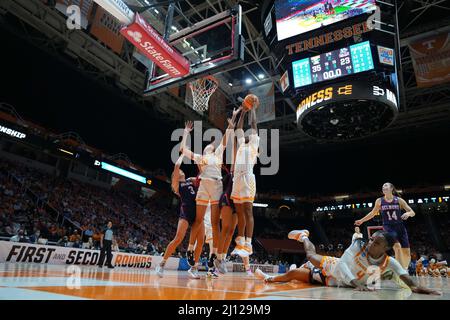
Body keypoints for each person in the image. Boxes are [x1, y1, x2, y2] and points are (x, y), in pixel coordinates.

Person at [255, 229, 441, 295]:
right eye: (371, 239)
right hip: (335, 267)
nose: (370, 243)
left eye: (376, 242)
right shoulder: (358, 245)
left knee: (294, 274)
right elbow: (343, 264)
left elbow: (407, 279)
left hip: (332, 281)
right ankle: (304, 236)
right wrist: (354, 283)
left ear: (385, 249)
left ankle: (271, 278)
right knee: (311, 256)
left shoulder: (390, 262)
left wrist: (419, 288)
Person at [181, 109, 240, 275]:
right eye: (209, 145)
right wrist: (186, 133)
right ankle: (190, 249)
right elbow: (183, 150)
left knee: (215, 223)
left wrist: (233, 120)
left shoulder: (218, 154)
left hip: (216, 186)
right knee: (197, 221)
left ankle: (214, 253)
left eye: (211, 146)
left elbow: (226, 139)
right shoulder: (200, 158)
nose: (211, 146)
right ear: (205, 149)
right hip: (204, 187)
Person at [155, 153, 204, 279]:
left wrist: (199, 162)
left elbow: (201, 177)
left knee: (201, 242)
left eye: (182, 171)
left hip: (198, 213)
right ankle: (162, 264)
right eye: (179, 172)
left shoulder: (189, 181)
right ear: (175, 177)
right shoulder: (178, 186)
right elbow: (177, 166)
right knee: (178, 238)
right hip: (186, 213)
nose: (181, 171)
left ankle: (193, 268)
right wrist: (183, 154)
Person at [355, 182, 415, 269]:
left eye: (386, 186)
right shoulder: (379, 201)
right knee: (397, 247)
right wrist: (361, 220)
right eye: (383, 186)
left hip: (400, 228)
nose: (383, 187)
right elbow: (372, 213)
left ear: (391, 188)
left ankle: (404, 269)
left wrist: (408, 214)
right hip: (388, 228)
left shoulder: (399, 200)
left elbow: (412, 212)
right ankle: (398, 272)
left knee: (406, 254)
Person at [231, 105, 260, 260]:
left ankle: (248, 243)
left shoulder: (254, 145)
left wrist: (253, 109)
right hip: (237, 179)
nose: (248, 135)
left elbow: (254, 125)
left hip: (248, 178)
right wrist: (243, 111)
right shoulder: (242, 143)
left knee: (248, 211)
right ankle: (240, 242)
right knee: (239, 212)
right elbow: (239, 128)